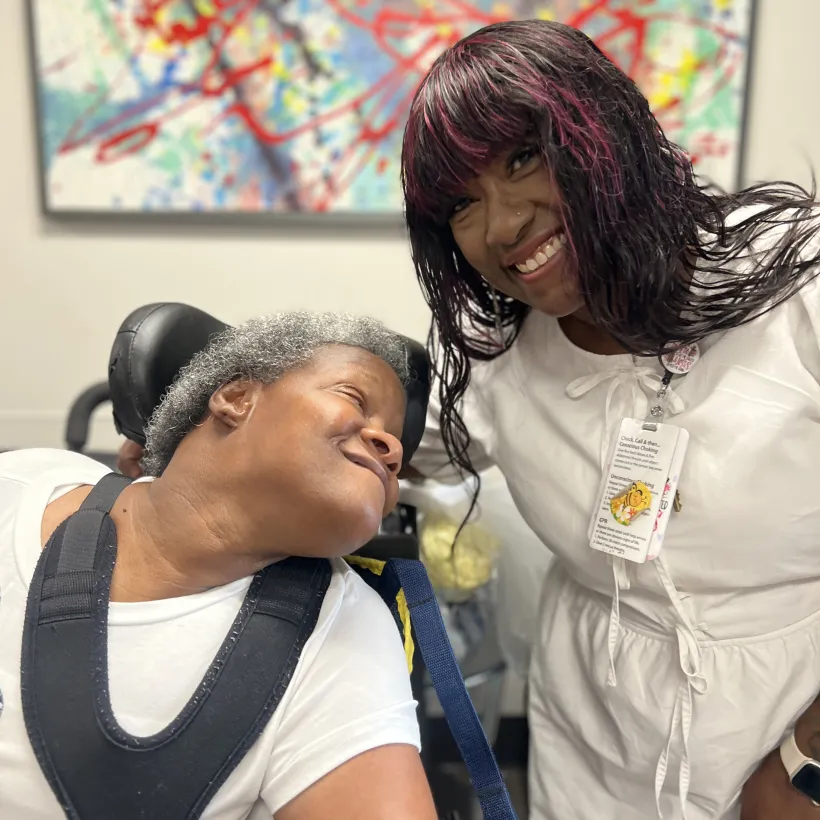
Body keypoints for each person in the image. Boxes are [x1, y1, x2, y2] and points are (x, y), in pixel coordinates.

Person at [398, 18, 820, 820]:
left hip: (792, 722)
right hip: (593, 742)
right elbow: (382, 441)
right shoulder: (493, 359)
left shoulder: (796, 283)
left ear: (608, 130)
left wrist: (808, 760)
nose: (503, 226)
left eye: (525, 157)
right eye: (462, 204)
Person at [0, 313, 438, 820]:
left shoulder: (346, 631)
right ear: (236, 398)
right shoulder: (20, 486)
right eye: (355, 399)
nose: (392, 448)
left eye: (396, 449)